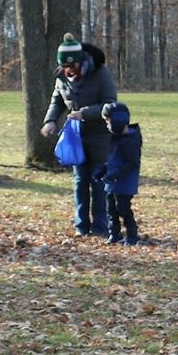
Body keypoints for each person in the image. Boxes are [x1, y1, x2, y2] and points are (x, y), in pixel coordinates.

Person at [41, 33, 117, 237]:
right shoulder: (62, 77)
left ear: (81, 61)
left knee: (98, 181)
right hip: (76, 137)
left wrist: (84, 113)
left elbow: (110, 104)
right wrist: (50, 121)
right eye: (65, 67)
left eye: (72, 66)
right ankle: (81, 226)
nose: (69, 71)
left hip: (100, 135)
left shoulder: (100, 74)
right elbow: (57, 101)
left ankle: (102, 226)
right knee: (79, 181)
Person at [97, 102, 141, 246]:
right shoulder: (114, 139)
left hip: (124, 183)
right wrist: (103, 170)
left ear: (117, 121)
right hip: (112, 183)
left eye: (107, 121)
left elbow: (132, 164)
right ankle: (114, 233)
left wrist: (115, 174)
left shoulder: (130, 141)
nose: (106, 125)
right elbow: (112, 160)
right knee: (110, 209)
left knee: (122, 208)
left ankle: (132, 235)